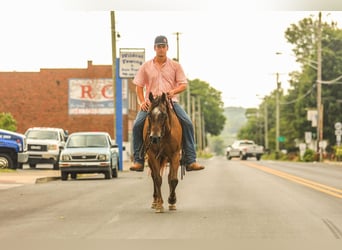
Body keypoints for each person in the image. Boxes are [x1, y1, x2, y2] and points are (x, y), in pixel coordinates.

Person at [130, 35, 205, 172]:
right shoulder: (145, 66)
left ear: (167, 48)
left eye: (163, 46)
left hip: (170, 102)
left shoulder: (175, 66)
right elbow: (139, 86)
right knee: (136, 126)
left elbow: (183, 84)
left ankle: (190, 160)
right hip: (151, 103)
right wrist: (142, 102)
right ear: (154, 48)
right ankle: (139, 160)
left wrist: (173, 91)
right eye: (158, 46)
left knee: (187, 123)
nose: (161, 49)